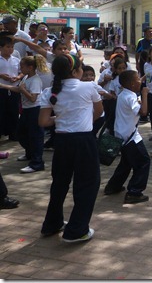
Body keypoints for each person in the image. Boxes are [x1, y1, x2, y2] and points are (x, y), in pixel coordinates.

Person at [39, 54, 103, 242]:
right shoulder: (88, 87)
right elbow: (99, 111)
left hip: (62, 141)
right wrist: (84, 123)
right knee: (87, 184)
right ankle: (77, 230)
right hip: (84, 141)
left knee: (59, 183)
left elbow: (43, 121)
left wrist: (62, 118)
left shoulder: (50, 92)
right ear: (75, 71)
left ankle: (52, 223)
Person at [103, 70, 151, 204]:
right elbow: (143, 112)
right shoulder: (130, 96)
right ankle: (134, 192)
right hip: (129, 136)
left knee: (127, 162)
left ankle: (113, 186)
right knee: (143, 162)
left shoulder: (125, 94)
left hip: (123, 134)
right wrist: (145, 94)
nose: (140, 81)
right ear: (131, 84)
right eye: (137, 80)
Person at [0, 55, 47, 173]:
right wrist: (3, 86)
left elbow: (32, 98)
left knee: (35, 136)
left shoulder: (35, 80)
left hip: (34, 110)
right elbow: (18, 89)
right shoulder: (26, 77)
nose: (20, 69)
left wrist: (23, 90)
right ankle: (29, 153)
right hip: (26, 110)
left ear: (30, 67)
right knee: (21, 133)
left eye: (22, 66)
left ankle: (37, 162)